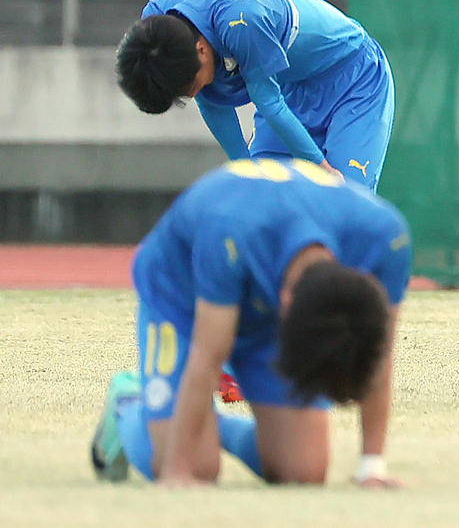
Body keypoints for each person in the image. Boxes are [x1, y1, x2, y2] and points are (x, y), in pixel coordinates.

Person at [89, 157, 412, 486]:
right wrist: (176, 469)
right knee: (197, 469)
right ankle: (129, 404)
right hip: (181, 295)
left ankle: (213, 425)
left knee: (303, 473)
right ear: (284, 308)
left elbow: (379, 349)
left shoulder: (385, 237)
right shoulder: (231, 228)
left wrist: (372, 467)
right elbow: (208, 353)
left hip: (264, 284)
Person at [116, 0, 395, 192]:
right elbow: (214, 104)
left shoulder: (241, 20)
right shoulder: (157, 29)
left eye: (191, 86)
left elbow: (270, 105)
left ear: (201, 49)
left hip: (353, 80)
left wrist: (321, 168)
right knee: (268, 207)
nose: (194, 95)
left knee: (343, 205)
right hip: (286, 86)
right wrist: (247, 175)